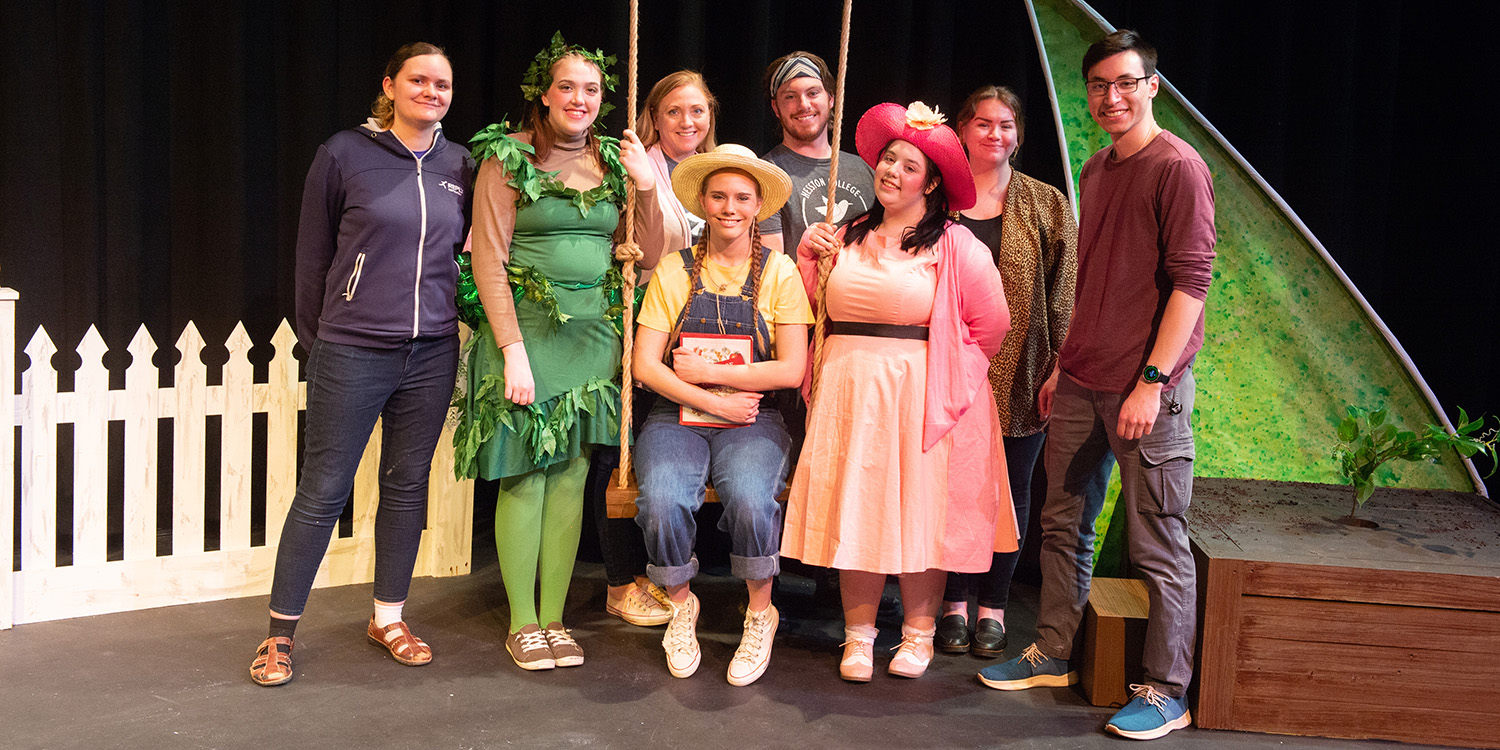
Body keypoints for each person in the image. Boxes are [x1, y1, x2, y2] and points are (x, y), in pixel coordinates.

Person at [977, 30, 1216, 742]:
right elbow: (1096, 280)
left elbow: (1192, 284)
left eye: (1124, 83)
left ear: (1152, 87)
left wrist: (1152, 380)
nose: (1110, 98)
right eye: (1098, 86)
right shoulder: (1100, 167)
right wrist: (1062, 363)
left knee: (1156, 542)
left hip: (1146, 391)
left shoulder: (1178, 167)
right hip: (1082, 381)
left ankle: (1168, 691)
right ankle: (1053, 651)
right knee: (1062, 526)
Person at [250, 42, 474, 686]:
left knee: (406, 488)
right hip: (352, 348)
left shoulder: (460, 163)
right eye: (419, 81)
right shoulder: (344, 154)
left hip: (432, 350)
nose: (431, 92)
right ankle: (279, 635)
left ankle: (389, 617)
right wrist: (323, 341)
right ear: (391, 85)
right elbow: (311, 259)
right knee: (323, 490)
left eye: (442, 84)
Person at [781, 101, 1015, 682]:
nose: (892, 171)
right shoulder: (845, 235)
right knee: (857, 507)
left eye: (909, 166)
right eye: (888, 159)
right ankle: (858, 638)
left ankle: (918, 635)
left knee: (919, 514)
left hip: (919, 393)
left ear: (931, 182)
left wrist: (943, 375)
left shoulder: (956, 246)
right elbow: (804, 307)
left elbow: (992, 327)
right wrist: (808, 256)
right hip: (848, 391)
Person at [455, 32, 668, 671]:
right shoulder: (507, 157)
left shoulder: (614, 159)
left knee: (573, 473)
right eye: (567, 87)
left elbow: (653, 252)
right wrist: (512, 350)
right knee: (527, 470)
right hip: (524, 333)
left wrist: (648, 186)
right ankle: (523, 621)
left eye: (592, 90)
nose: (580, 99)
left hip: (593, 335)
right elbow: (488, 260)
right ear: (543, 95)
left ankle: (554, 618)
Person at [632, 144, 810, 686]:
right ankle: (681, 604)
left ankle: (760, 613)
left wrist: (715, 377)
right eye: (718, 196)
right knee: (661, 500)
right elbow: (644, 365)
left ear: (758, 205)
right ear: (703, 203)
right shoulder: (673, 269)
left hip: (754, 416)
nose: (729, 207)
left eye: (742, 198)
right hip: (676, 415)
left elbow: (790, 369)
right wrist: (709, 399)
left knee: (753, 501)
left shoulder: (779, 273)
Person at [937, 86, 1079, 659]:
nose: (995, 134)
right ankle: (952, 603)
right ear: (963, 131)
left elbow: (1066, 291)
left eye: (1006, 125)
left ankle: (993, 607)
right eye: (983, 124)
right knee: (949, 493)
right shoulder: (936, 197)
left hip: (1021, 375)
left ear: (1018, 134)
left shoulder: (1046, 204)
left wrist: (1060, 366)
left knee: (1009, 496)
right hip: (945, 376)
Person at [584, 70, 723, 629]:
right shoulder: (638, 167)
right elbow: (639, 250)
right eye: (674, 112)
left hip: (702, 333)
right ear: (654, 117)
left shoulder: (718, 170)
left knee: (666, 446)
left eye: (697, 111)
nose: (687, 122)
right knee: (618, 450)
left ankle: (658, 569)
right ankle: (619, 581)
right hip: (642, 324)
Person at [756, 51, 875, 256]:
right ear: (776, 107)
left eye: (813, 93)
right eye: (790, 96)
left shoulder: (867, 171)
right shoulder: (767, 175)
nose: (804, 105)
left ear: (830, 99)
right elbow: (771, 269)